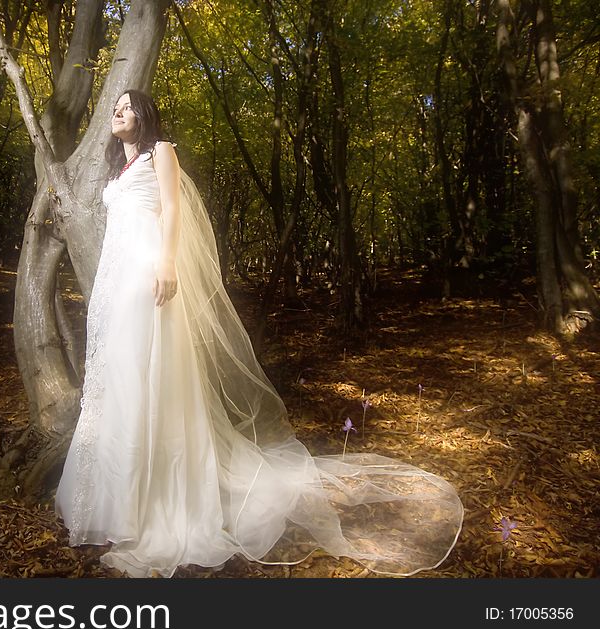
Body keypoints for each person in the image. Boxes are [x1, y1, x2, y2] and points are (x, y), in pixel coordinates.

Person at [54, 89, 463, 578]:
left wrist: (166, 261)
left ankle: (153, 503)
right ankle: (116, 502)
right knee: (118, 380)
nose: (117, 111)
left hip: (148, 274)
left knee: (149, 375)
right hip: (115, 282)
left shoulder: (160, 151)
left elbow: (172, 209)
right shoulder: (115, 172)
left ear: (144, 116)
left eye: (126, 105)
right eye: (114, 106)